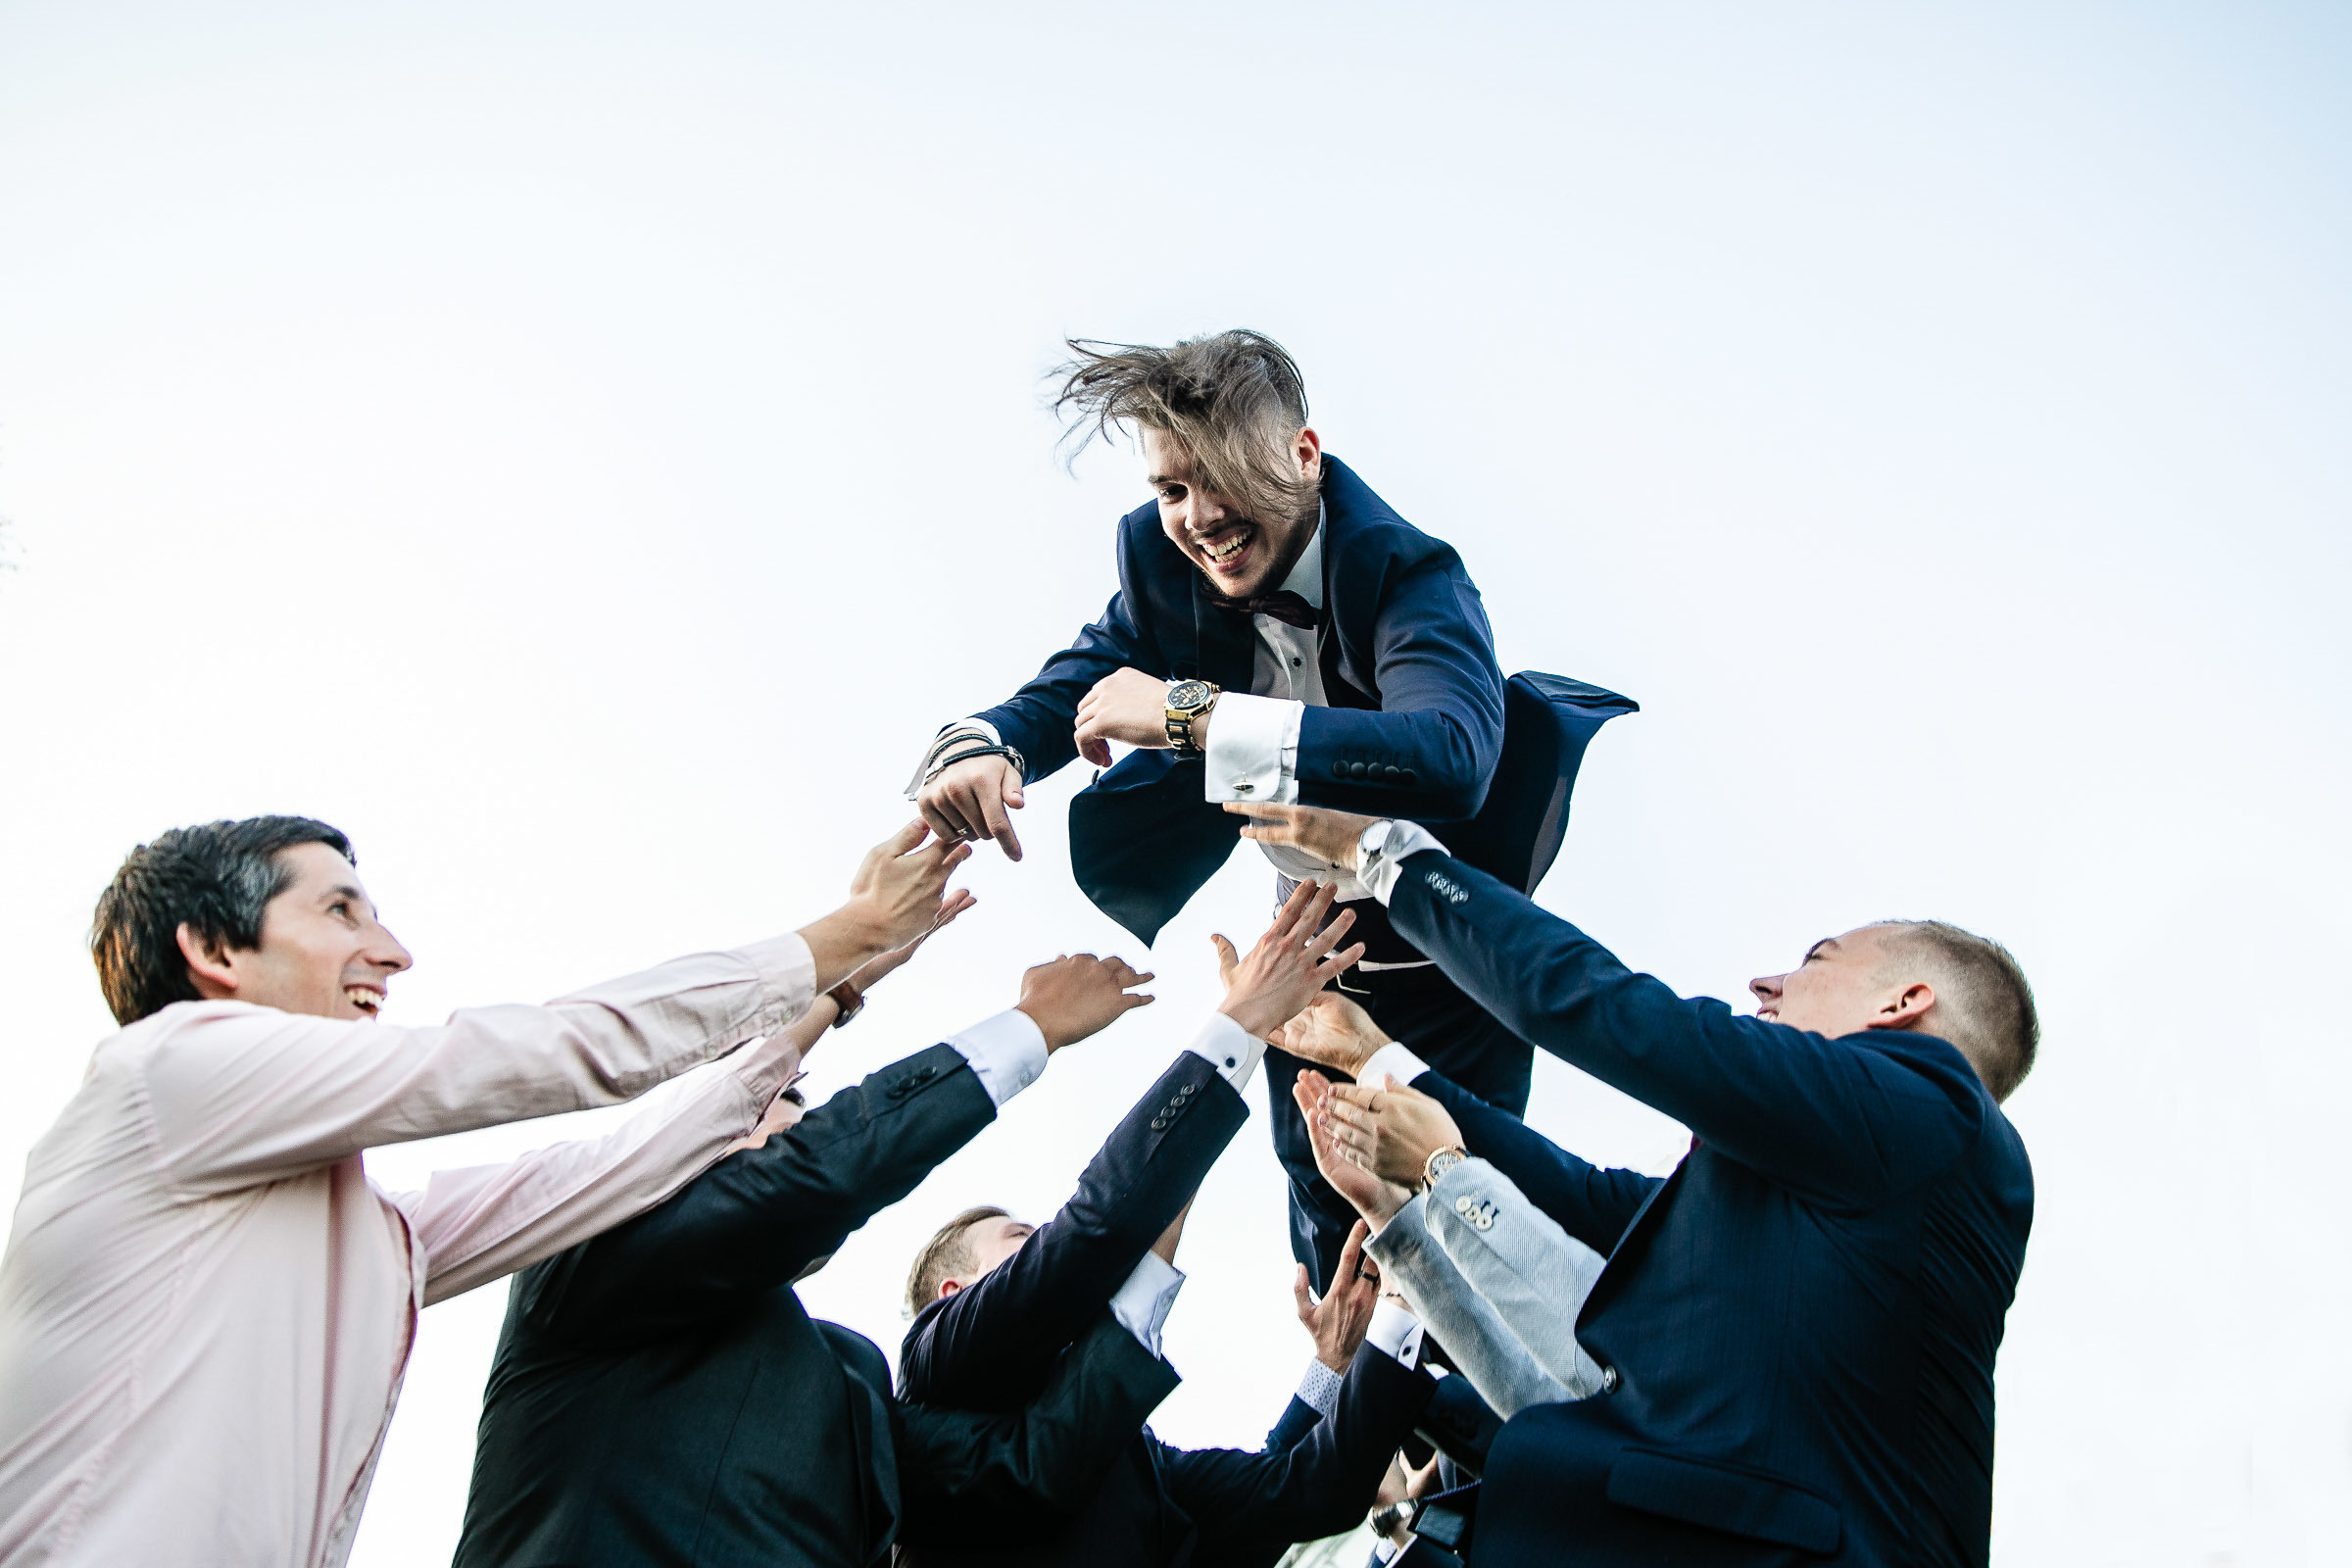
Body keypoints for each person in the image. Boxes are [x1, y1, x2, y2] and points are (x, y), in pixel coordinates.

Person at [0, 813, 969, 1568]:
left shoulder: (367, 1234)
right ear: (215, 953)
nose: (390, 949)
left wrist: (826, 1000)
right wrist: (842, 932)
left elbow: (599, 1174)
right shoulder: (161, 1075)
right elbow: (545, 1050)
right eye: (340, 910)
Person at [906, 327, 1636, 1288]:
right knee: (1329, 1223)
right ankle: (1347, 1418)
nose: (1199, 517)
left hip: (1457, 961)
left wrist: (1188, 713)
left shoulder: (1409, 575)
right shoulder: (1165, 572)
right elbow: (1076, 685)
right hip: (1313, 950)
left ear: (1302, 455)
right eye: (1171, 488)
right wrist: (981, 743)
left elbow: (1450, 754)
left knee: (1477, 1208)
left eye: (1220, 478)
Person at [1230, 801, 2036, 1568]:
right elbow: (1574, 1198)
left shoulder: (1939, 1115)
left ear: (1904, 1002)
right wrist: (1368, 1054)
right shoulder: (1808, 1201)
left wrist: (1387, 854)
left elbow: (1604, 1008)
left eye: (1816, 959)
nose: (1766, 983)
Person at [454, 950, 1179, 1568]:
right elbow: (814, 1177)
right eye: (782, 1129)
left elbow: (1029, 1468)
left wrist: (1178, 1180)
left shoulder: (853, 1370)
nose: (801, 1143)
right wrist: (1033, 1026)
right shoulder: (581, 1258)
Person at [895, 883, 1436, 1568]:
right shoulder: (936, 1361)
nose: (1044, 1247)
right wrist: (1240, 1019)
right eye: (1022, 1241)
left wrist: (1400, 1290)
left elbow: (1306, 1490)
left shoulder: (1140, 1463)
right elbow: (1096, 1228)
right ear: (953, 1294)